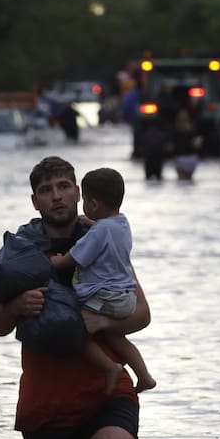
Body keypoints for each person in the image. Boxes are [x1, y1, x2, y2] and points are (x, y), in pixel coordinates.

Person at [0, 155, 150, 439]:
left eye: (63, 187)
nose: (56, 196)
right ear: (35, 201)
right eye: (46, 190)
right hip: (47, 398)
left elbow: (141, 314)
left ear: (79, 193)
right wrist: (16, 307)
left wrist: (103, 324)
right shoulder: (20, 249)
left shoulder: (103, 234)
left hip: (106, 387)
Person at [48, 167, 156, 396]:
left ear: (94, 204)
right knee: (116, 337)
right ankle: (145, 376)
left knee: (75, 328)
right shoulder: (121, 223)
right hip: (125, 297)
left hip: (105, 296)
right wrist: (91, 222)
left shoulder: (99, 231)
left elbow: (78, 255)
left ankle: (110, 367)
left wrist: (58, 261)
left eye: (86, 201)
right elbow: (106, 232)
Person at [170, 109, 202, 180]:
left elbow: (171, 147)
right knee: (188, 180)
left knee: (182, 180)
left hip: (181, 158)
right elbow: (197, 145)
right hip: (190, 158)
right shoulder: (192, 131)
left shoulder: (175, 132)